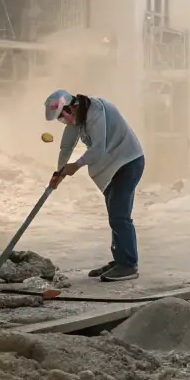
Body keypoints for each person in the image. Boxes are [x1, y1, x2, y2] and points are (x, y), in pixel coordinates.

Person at [44, 89, 146, 282]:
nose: (63, 122)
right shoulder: (78, 117)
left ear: (69, 109)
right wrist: (59, 173)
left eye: (61, 118)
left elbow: (98, 148)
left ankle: (128, 265)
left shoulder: (96, 110)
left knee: (120, 216)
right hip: (113, 166)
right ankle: (120, 260)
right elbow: (66, 147)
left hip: (128, 162)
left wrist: (76, 165)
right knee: (115, 215)